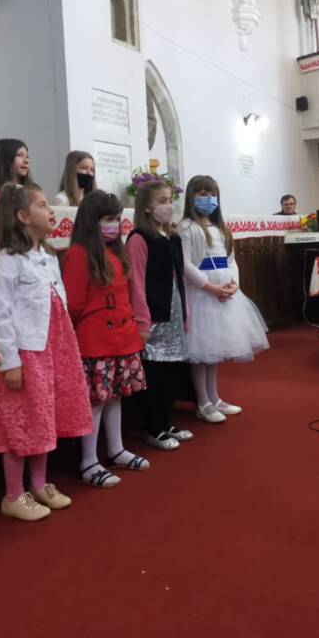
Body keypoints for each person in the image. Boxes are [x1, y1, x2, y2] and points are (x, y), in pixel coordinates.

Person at [0, 183, 92, 522]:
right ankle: (13, 495)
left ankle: (39, 484)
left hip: (50, 350)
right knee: (20, 422)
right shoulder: (8, 261)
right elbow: (0, 315)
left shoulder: (48, 256)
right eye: (43, 205)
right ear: (22, 216)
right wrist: (10, 362)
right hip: (23, 354)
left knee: (43, 418)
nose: (51, 210)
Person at [61, 190, 150, 487]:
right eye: (108, 219)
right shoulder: (78, 254)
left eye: (117, 218)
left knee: (115, 396)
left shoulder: (116, 251)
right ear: (92, 221)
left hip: (122, 336)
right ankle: (89, 461)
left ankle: (116, 449)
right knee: (96, 401)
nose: (114, 225)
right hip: (95, 339)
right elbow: (73, 304)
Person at [178, 175, 269, 423]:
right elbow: (185, 264)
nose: (208, 199)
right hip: (201, 295)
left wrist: (233, 284)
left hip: (224, 294)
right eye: (202, 194)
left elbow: (231, 260)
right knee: (201, 350)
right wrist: (210, 287)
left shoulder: (221, 228)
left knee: (214, 349)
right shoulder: (186, 227)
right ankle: (203, 402)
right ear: (191, 197)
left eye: (212, 194)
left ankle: (214, 397)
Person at [127, 181, 195, 451]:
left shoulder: (172, 237)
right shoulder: (139, 239)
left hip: (174, 312)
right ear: (147, 207)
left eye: (170, 200)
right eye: (163, 201)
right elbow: (136, 282)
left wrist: (185, 312)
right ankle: (153, 427)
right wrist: (142, 321)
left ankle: (167, 422)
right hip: (153, 316)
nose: (169, 205)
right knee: (154, 374)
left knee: (171, 373)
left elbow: (179, 278)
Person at [0, 138, 33, 204]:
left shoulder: (32, 189)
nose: (26, 161)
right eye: (20, 155)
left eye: (27, 156)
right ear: (5, 159)